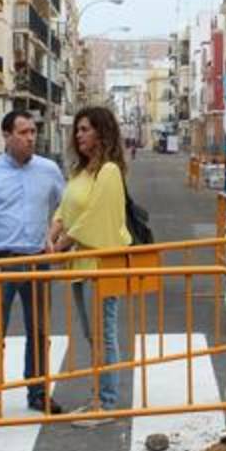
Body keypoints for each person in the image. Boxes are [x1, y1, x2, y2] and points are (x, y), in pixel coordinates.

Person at [0, 110, 67, 420]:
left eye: (33, 131)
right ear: (6, 136)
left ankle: (37, 391)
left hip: (37, 259)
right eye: (23, 132)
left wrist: (53, 235)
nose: (30, 137)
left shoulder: (49, 170)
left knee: (39, 329)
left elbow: (65, 207)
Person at [48, 106, 132, 427]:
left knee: (104, 333)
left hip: (101, 264)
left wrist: (60, 245)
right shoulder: (80, 173)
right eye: (78, 130)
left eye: (85, 129)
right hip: (80, 265)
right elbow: (65, 208)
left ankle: (106, 403)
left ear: (102, 132)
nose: (79, 135)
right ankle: (97, 397)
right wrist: (52, 231)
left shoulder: (109, 171)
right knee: (91, 335)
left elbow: (93, 216)